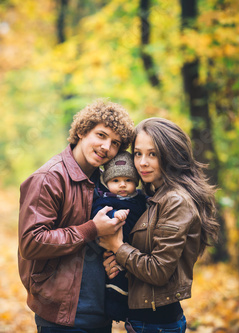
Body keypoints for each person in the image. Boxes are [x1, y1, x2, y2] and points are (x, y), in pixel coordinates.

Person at [18, 99, 135, 332]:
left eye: (115, 143)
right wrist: (91, 229)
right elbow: (31, 243)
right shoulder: (49, 178)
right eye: (100, 135)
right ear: (82, 131)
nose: (106, 147)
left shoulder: (105, 182)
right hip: (62, 315)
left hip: (101, 311)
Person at [98, 118, 220, 333]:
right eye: (138, 153)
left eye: (152, 154)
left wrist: (117, 248)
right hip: (144, 319)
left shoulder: (175, 201)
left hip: (157, 323)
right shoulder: (153, 196)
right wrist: (115, 261)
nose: (142, 163)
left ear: (171, 154)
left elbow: (158, 271)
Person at [90, 151, 147, 322]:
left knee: (133, 285)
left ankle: (129, 313)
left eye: (128, 180)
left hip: (136, 249)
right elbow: (97, 217)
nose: (122, 185)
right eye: (116, 181)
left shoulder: (140, 199)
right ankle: (115, 313)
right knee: (116, 281)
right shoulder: (106, 200)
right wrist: (114, 214)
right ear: (107, 182)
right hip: (114, 250)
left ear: (135, 182)